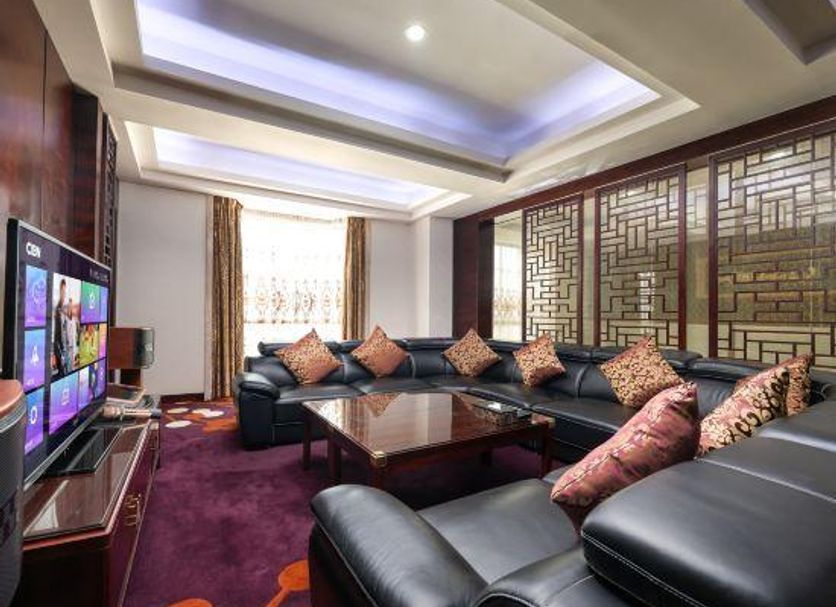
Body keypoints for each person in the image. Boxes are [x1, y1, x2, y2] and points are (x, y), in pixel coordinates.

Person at [53, 279, 70, 375]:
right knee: (62, 372)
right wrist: (60, 351)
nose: (64, 294)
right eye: (62, 291)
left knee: (66, 372)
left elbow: (65, 330)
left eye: (65, 291)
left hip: (65, 349)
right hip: (60, 349)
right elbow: (57, 333)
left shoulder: (64, 310)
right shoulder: (58, 310)